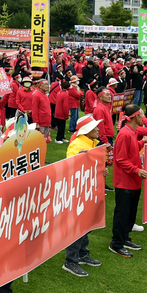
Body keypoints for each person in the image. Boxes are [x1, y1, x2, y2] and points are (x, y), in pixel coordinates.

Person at [63, 115, 104, 276]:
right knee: (78, 225)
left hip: (88, 190)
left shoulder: (91, 143)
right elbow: (71, 166)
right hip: (78, 192)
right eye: (95, 128)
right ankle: (70, 261)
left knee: (86, 224)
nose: (98, 129)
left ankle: (82, 253)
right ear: (87, 131)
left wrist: (101, 170)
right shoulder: (78, 145)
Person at [109, 104, 147, 258]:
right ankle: (116, 243)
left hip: (133, 180)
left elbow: (131, 150)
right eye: (141, 115)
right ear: (135, 117)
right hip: (125, 180)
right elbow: (120, 159)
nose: (143, 118)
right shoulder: (125, 134)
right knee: (123, 212)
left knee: (131, 212)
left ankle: (125, 238)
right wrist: (136, 170)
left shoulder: (132, 132)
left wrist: (143, 142)